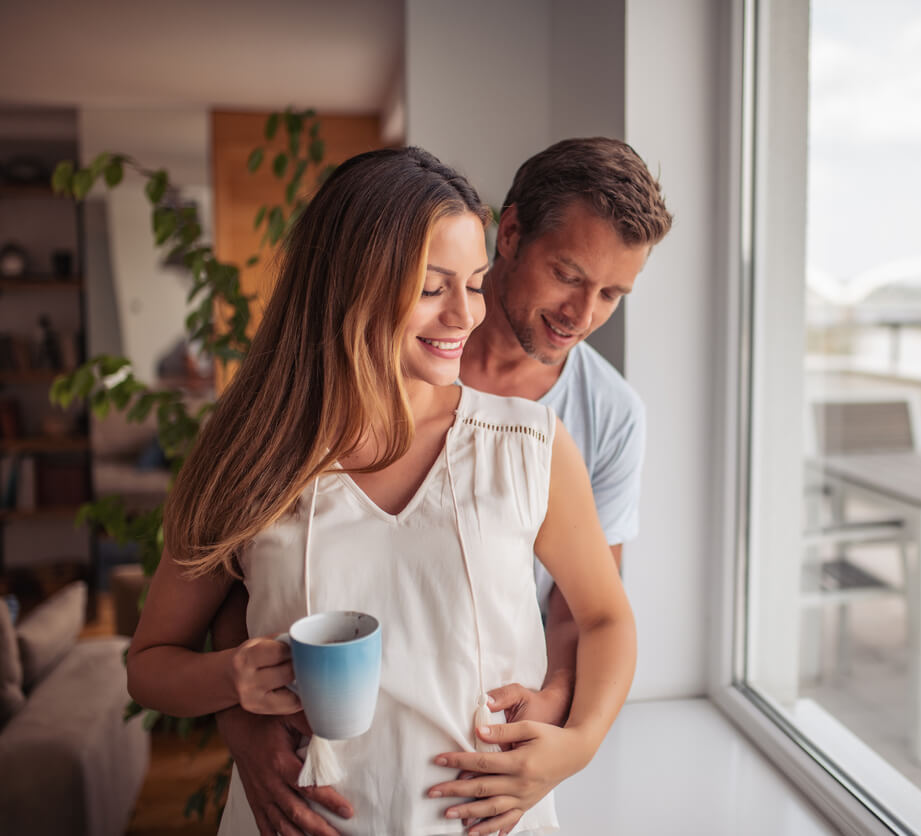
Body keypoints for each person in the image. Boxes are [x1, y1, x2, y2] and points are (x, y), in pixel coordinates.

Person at [125, 147, 637, 836]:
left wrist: (577, 747)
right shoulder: (248, 451)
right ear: (349, 281)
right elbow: (151, 667)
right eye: (432, 287)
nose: (465, 315)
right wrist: (231, 681)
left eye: (476, 284)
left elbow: (606, 618)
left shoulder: (531, 445)